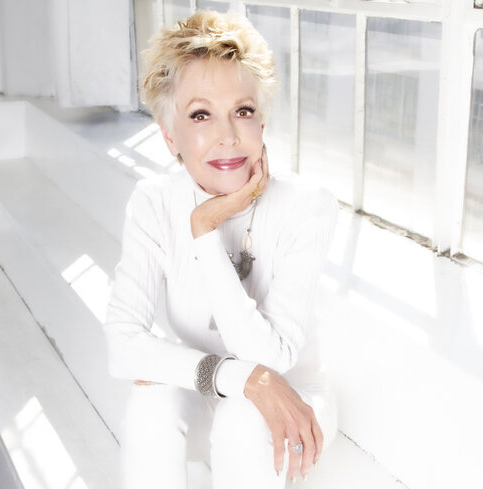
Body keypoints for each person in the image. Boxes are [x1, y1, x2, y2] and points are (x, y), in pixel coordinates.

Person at [103, 10, 338, 489]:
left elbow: (272, 361)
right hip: (204, 392)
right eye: (201, 114)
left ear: (262, 121)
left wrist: (205, 229)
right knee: (150, 407)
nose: (228, 135)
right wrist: (241, 378)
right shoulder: (154, 202)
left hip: (292, 401)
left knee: (242, 421)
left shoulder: (307, 207)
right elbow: (122, 345)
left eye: (243, 111)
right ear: (171, 136)